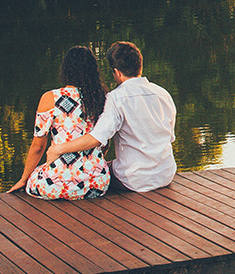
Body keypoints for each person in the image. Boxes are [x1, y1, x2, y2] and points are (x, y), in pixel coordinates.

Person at [44, 40, 177, 192]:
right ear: (140, 66)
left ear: (117, 72)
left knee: (97, 174)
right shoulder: (163, 94)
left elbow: (97, 138)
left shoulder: (116, 98)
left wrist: (58, 149)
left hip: (135, 180)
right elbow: (170, 136)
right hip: (165, 174)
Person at [8, 45, 111, 200]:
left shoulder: (51, 98)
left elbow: (38, 147)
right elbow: (106, 142)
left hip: (59, 184)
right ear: (92, 71)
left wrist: (23, 180)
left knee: (35, 176)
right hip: (97, 183)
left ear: (66, 70)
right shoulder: (103, 97)